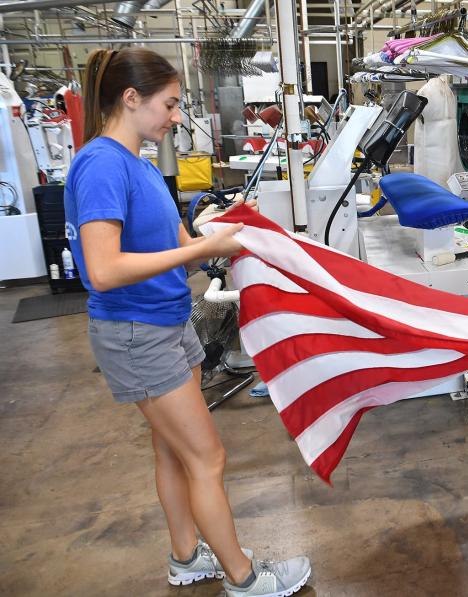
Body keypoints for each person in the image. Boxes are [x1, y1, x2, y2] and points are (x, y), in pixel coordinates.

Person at [65, 47, 311, 595]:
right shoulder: (102, 163)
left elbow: (189, 254)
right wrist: (196, 249)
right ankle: (244, 578)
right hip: (136, 332)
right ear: (131, 99)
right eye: (170, 104)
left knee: (173, 450)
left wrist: (222, 235)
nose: (176, 117)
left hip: (169, 322)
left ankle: (185, 556)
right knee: (208, 456)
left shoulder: (142, 166)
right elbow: (103, 270)